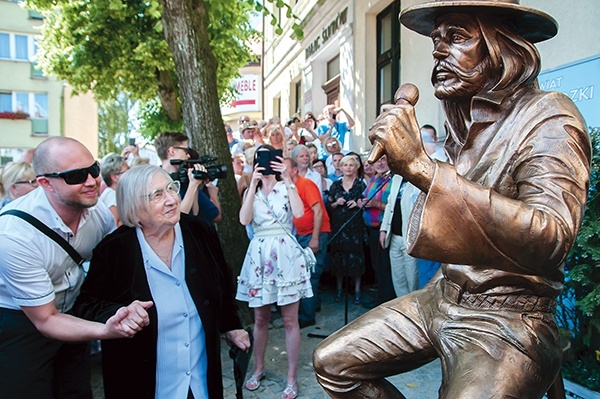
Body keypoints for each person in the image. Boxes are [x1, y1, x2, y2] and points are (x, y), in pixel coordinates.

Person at [313, 1, 590, 398]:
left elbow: (552, 237)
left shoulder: (550, 117)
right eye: (437, 41)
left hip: (508, 315)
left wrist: (424, 169)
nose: (439, 51)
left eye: (457, 37)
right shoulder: (465, 121)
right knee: (333, 363)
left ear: (501, 45)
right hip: (443, 295)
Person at [73, 165, 249, 399]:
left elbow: (222, 281)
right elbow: (87, 304)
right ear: (134, 208)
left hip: (199, 379)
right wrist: (120, 313)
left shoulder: (198, 231)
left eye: (171, 189)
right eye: (157, 195)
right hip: (145, 380)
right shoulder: (114, 251)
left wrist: (231, 325)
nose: (171, 200)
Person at [0, 137, 152, 399]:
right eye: (76, 176)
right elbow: (46, 319)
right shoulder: (14, 235)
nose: (92, 181)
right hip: (22, 324)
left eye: (93, 169)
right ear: (45, 183)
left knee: (76, 392)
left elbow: (114, 265)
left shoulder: (99, 214)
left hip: (72, 315)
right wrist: (106, 330)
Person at [236, 145, 312, 399]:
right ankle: (258, 368)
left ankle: (291, 376)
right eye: (260, 160)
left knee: (290, 320)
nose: (265, 165)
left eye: (269, 160)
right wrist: (252, 183)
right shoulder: (252, 190)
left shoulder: (286, 186)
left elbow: (300, 214)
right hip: (259, 255)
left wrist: (288, 179)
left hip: (285, 254)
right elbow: (244, 220)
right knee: (260, 319)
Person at [284, 157, 331, 329]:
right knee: (305, 273)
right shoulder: (290, 187)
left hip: (314, 233)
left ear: (295, 170)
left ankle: (307, 316)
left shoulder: (305, 184)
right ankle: (312, 306)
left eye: (285, 167)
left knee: (311, 274)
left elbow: (318, 211)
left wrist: (315, 238)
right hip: (302, 234)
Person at [154, 131, 221, 224]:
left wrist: (196, 186)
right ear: (171, 151)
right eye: (185, 150)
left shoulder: (183, 177)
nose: (188, 155)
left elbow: (194, 213)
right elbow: (179, 218)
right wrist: (192, 185)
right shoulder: (157, 181)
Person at [327, 155, 366, 305]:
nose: (348, 168)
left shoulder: (361, 184)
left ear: (356, 167)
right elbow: (329, 206)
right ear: (341, 167)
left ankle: (357, 291)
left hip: (355, 225)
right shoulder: (335, 185)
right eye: (345, 165)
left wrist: (357, 203)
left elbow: (365, 203)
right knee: (339, 257)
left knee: (356, 257)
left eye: (351, 165)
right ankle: (339, 289)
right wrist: (337, 203)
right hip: (339, 225)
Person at [359, 155, 394, 308]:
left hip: (384, 230)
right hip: (371, 229)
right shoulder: (375, 178)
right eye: (377, 160)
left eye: (383, 160)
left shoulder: (393, 179)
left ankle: (386, 301)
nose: (379, 163)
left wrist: (376, 204)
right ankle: (380, 297)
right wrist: (362, 202)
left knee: (385, 267)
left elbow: (394, 206)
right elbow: (366, 197)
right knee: (377, 267)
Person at [99, 153, 129, 225]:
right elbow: (114, 226)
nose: (130, 173)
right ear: (115, 177)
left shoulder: (111, 193)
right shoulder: (112, 196)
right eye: (127, 171)